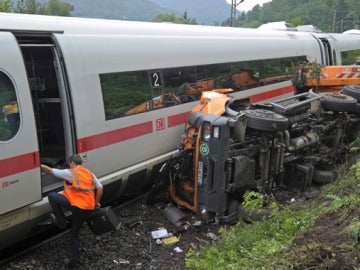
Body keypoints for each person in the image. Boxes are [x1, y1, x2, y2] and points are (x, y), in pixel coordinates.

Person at [41, 154, 103, 268]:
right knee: (74, 234)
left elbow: (49, 170)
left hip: (77, 206)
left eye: (69, 163)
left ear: (72, 163)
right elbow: (100, 187)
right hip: (88, 209)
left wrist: (37, 165)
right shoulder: (89, 173)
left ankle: (61, 222)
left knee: (52, 196)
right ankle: (73, 261)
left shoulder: (70, 172)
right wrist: (96, 203)